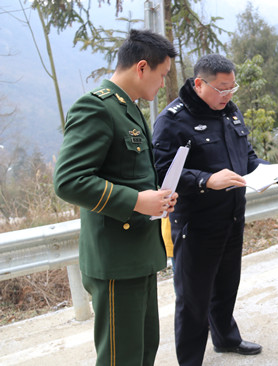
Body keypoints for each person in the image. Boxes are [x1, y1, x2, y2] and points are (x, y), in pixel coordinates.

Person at [53, 29, 178, 366]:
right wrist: (138, 202)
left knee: (143, 350)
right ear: (141, 67)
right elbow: (68, 181)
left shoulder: (131, 110)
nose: (164, 84)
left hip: (138, 252)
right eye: (162, 75)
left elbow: (132, 174)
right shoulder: (97, 107)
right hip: (115, 258)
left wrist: (158, 198)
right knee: (121, 358)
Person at [153, 54, 265, 366]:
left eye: (232, 88)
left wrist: (269, 172)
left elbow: (248, 155)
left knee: (227, 285)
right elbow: (161, 172)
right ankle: (190, 360)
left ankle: (226, 339)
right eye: (221, 89)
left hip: (232, 217)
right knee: (193, 299)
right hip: (196, 224)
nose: (228, 95)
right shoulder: (173, 119)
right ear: (199, 83)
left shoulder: (229, 111)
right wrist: (205, 180)